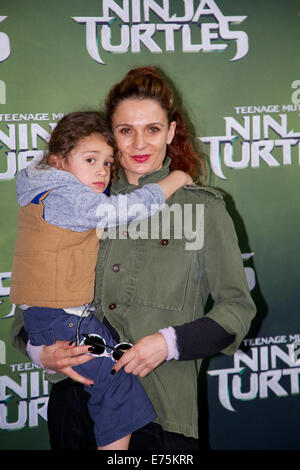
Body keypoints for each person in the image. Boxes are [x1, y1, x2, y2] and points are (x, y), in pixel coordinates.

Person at [11, 67, 256, 451]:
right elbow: (29, 296)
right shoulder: (72, 203)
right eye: (126, 130)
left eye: (153, 129)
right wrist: (41, 352)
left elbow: (237, 310)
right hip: (75, 404)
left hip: (160, 415)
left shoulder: (203, 209)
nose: (140, 142)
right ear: (111, 136)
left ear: (171, 133)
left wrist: (167, 343)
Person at [9, 110, 193, 450]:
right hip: (62, 318)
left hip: (63, 317)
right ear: (59, 162)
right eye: (91, 159)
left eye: (108, 163)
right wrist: (175, 180)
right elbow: (121, 210)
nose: (102, 171)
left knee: (116, 381)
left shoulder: (46, 192)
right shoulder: (67, 198)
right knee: (116, 385)